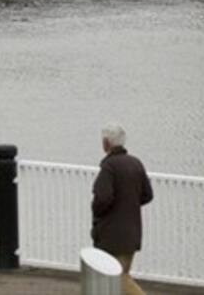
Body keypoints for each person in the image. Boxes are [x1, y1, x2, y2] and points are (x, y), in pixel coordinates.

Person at [91, 123, 154, 295]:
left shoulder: (109, 167)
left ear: (106, 143)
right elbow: (148, 194)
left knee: (118, 279)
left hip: (111, 235)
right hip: (132, 233)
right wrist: (129, 203)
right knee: (120, 277)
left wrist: (96, 212)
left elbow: (102, 199)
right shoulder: (135, 163)